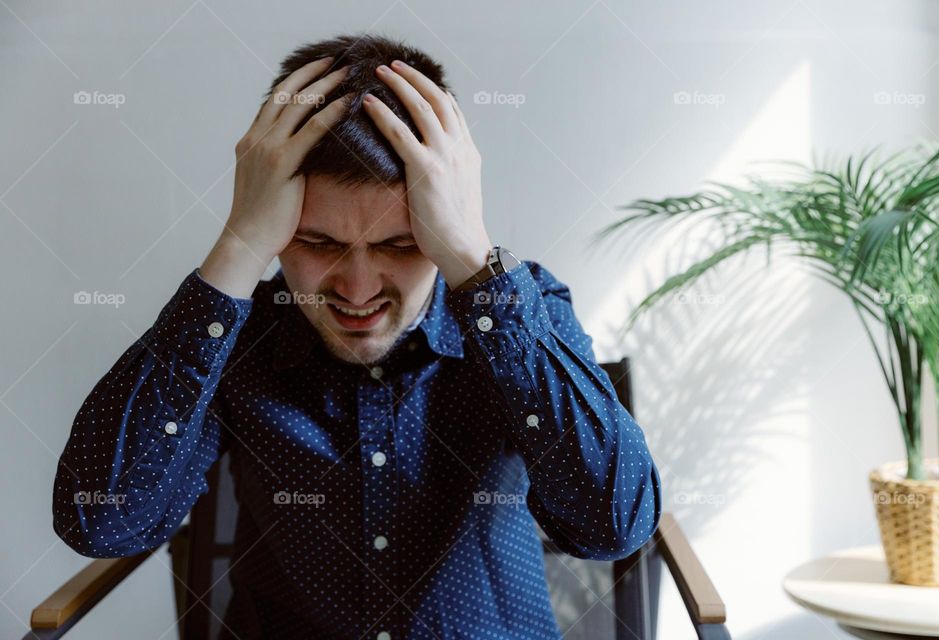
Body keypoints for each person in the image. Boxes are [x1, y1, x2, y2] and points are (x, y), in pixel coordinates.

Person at [53, 33, 662, 640]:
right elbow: (98, 522)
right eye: (318, 243)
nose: (357, 288)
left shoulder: (519, 311)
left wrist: (473, 259)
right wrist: (238, 245)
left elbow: (612, 525)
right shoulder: (238, 335)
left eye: (400, 245)